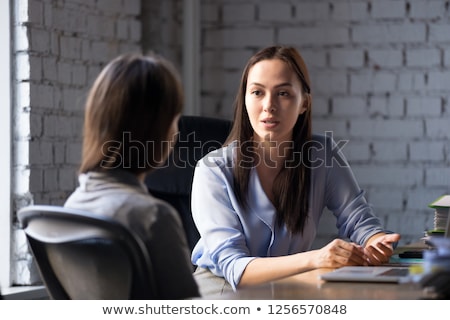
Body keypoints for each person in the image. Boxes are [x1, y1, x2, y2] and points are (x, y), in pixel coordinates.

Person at [190, 45, 401, 296]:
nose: (269, 105)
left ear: (304, 103)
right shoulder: (212, 170)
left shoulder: (322, 154)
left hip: (287, 284)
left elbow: (360, 222)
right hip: (221, 288)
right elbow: (236, 270)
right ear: (244, 99)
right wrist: (315, 259)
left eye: (283, 93)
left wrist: (375, 241)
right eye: (257, 92)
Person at [64, 53, 200, 299]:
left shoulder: (71, 207)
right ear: (154, 130)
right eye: (173, 119)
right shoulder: (153, 217)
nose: (177, 130)